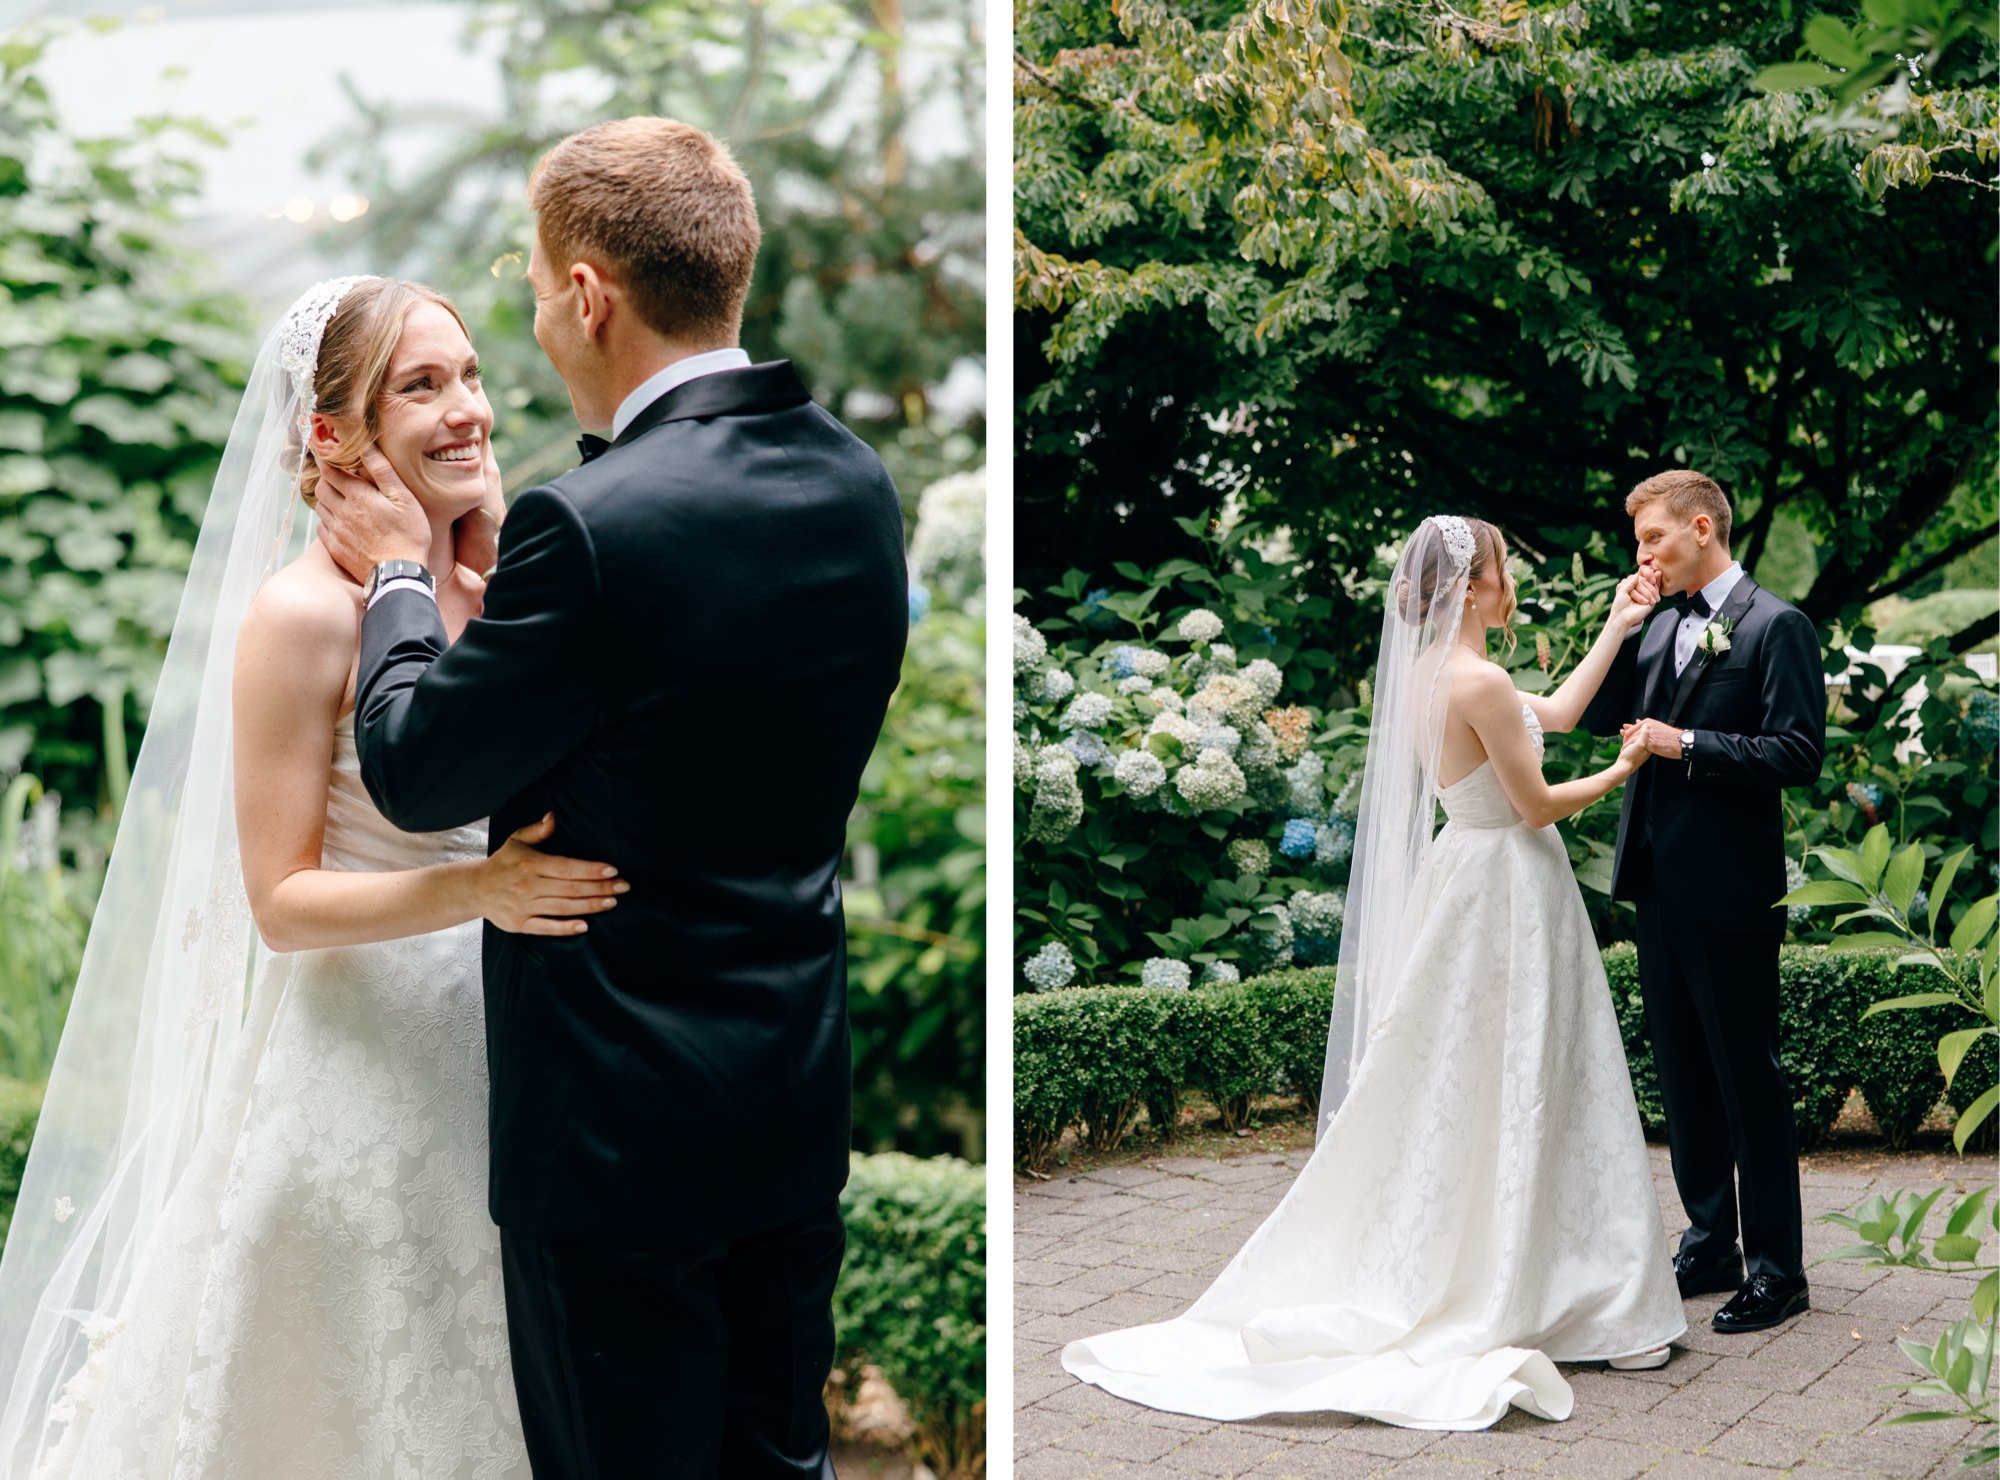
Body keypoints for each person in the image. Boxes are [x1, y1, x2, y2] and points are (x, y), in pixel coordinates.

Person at [310, 117, 909, 1479]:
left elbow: (413, 770)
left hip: (610, 1138)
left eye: (531, 289)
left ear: (589, 292)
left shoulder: (588, 527)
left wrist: (403, 576)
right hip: (786, 1103)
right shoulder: (857, 485)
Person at [0, 275, 625, 1477]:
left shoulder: (500, 584)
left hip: (519, 1055)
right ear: (331, 435)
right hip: (364, 1072)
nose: (469, 411)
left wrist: (486, 556)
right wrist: (476, 891)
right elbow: (279, 903)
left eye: (472, 377)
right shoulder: (299, 617)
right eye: (422, 385)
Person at [1061, 515, 1685, 1430]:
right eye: (1505, 569)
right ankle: (1555, 1284)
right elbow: (1538, 805)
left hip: (1463, 878)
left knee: (1469, 1079)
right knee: (1525, 1073)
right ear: (1475, 587)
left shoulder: (1438, 676)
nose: (1512, 583)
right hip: (1508, 885)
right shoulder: (1479, 678)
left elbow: (1546, 716)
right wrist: (1627, 764)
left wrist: (1616, 628)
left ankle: (1545, 1270)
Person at [1581, 470, 1824, 1335]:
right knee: (1683, 1073)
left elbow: (1797, 753)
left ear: (1699, 527)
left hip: (1731, 891)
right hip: (1656, 882)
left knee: (1744, 1074)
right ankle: (1710, 1241)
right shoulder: (1661, 626)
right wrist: (1623, 621)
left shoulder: (1775, 626)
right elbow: (1597, 713)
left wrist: (1684, 742)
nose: (1641, 554)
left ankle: (1777, 1270)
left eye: (1651, 540)